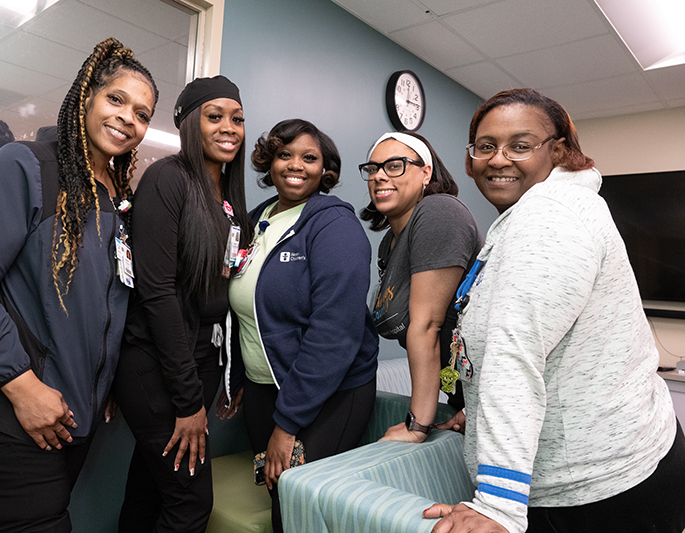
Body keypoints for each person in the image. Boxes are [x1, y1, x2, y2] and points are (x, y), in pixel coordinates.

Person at [0, 38, 157, 532]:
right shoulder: (28, 166)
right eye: (116, 99)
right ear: (87, 97)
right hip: (0, 407)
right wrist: (23, 386)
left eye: (142, 112)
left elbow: (102, 302)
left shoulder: (118, 197)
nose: (128, 118)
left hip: (66, 417)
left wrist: (101, 377)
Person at [423, 88, 685, 533]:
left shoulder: (548, 214)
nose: (499, 159)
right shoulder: (543, 212)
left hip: (595, 487)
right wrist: (485, 409)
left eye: (520, 146)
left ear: (559, 150)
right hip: (631, 459)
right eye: (486, 147)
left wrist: (497, 507)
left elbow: (515, 353)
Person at [223, 118, 379, 533]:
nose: (296, 165)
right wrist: (239, 377)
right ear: (269, 164)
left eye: (309, 158)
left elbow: (335, 332)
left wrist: (288, 424)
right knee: (275, 488)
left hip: (329, 394)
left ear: (325, 169)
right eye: (284, 155)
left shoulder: (334, 226)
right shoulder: (255, 221)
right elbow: (244, 311)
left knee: (296, 503)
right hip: (264, 390)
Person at [112, 75, 252, 532]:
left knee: (151, 489)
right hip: (156, 364)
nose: (228, 127)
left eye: (237, 119)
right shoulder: (167, 179)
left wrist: (227, 375)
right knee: (191, 503)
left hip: (200, 360)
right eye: (215, 117)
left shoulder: (228, 198)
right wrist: (189, 401)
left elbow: (225, 294)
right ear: (191, 124)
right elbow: (158, 293)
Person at [359, 131, 482, 444]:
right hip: (465, 398)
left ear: (426, 172)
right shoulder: (389, 243)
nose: (379, 176)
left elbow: (427, 324)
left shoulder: (439, 212)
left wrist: (417, 426)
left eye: (395, 165)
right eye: (372, 169)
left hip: (498, 393)